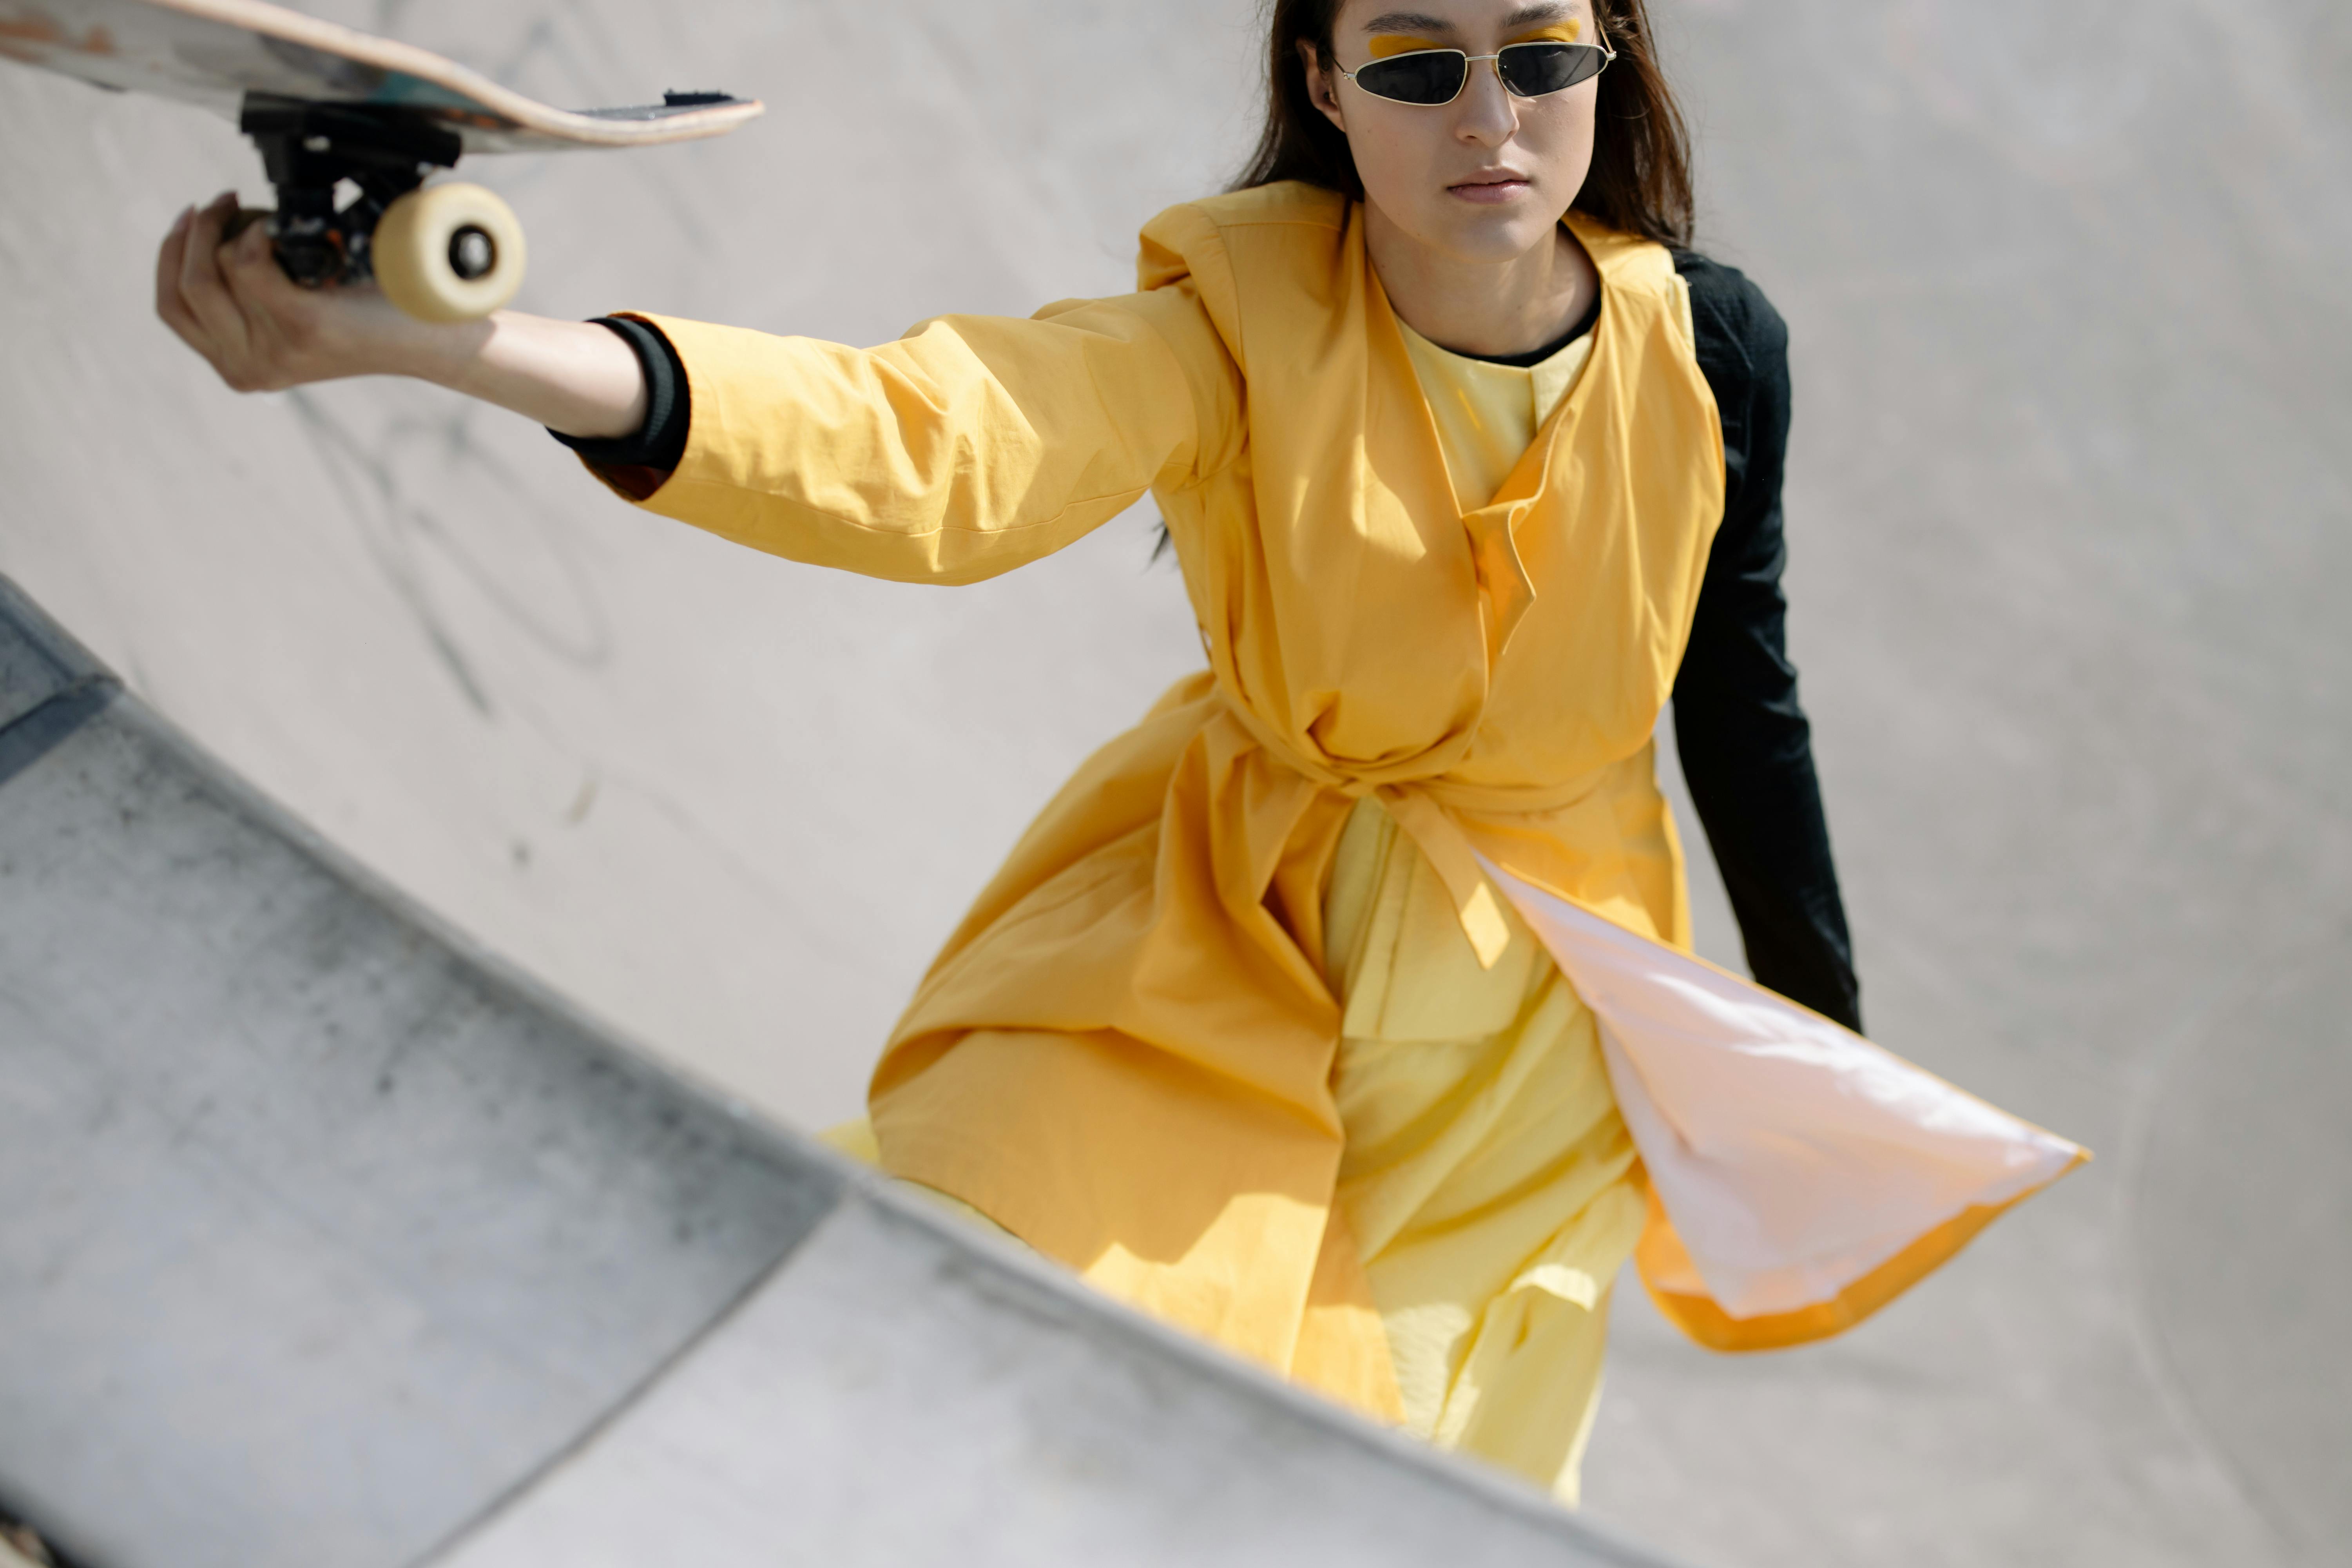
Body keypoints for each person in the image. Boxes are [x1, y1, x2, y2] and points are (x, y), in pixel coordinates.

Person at [156, 0, 2082, 1509]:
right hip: (1218, 957)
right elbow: (933, 440)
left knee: (1343, 1483)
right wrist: (459, 345)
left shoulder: (1712, 349)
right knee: (971, 1333)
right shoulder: (1233, 318)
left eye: (1539, 53)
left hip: (1524, 1049)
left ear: (1609, 58)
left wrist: (1813, 1023)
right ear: (1325, 84)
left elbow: (1735, 688)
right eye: (1415, 63)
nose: (1487, 116)